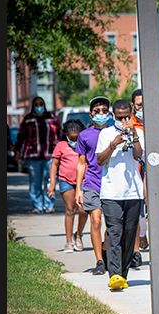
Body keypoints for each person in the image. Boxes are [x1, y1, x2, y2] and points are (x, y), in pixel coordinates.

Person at [95, 99, 145, 291]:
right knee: (114, 233)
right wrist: (113, 144)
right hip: (111, 193)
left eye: (126, 116)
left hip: (133, 192)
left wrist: (132, 134)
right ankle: (114, 274)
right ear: (113, 116)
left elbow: (138, 156)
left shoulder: (138, 132)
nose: (123, 120)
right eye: (119, 117)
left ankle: (122, 275)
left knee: (129, 236)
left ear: (130, 113)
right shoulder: (106, 133)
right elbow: (100, 160)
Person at [76, 96, 111, 275]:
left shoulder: (114, 133)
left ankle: (104, 249)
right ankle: (99, 260)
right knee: (96, 221)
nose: (101, 114)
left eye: (104, 111)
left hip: (112, 184)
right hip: (92, 183)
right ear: (91, 114)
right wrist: (78, 190)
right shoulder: (84, 135)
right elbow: (81, 163)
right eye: (97, 112)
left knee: (111, 224)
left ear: (109, 113)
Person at [14, 96, 62, 214]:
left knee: (50, 180)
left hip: (50, 155)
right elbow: (21, 136)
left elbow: (60, 131)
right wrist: (17, 151)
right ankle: (38, 206)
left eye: (41, 104)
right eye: (36, 104)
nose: (39, 106)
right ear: (33, 106)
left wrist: (59, 142)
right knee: (35, 182)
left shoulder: (51, 117)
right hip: (32, 156)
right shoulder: (28, 119)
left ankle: (49, 205)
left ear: (44, 105)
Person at [47, 118, 88, 253]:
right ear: (66, 135)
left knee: (83, 210)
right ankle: (69, 241)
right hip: (66, 181)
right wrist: (52, 183)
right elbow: (54, 165)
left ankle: (79, 235)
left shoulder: (85, 144)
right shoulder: (61, 146)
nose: (74, 142)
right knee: (70, 210)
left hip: (83, 181)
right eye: (71, 138)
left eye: (77, 139)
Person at [129, 89, 145, 266]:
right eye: (140, 105)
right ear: (133, 105)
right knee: (135, 215)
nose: (143, 108)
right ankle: (136, 252)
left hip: (152, 174)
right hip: (135, 173)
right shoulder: (128, 123)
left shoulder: (157, 121)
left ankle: (144, 234)